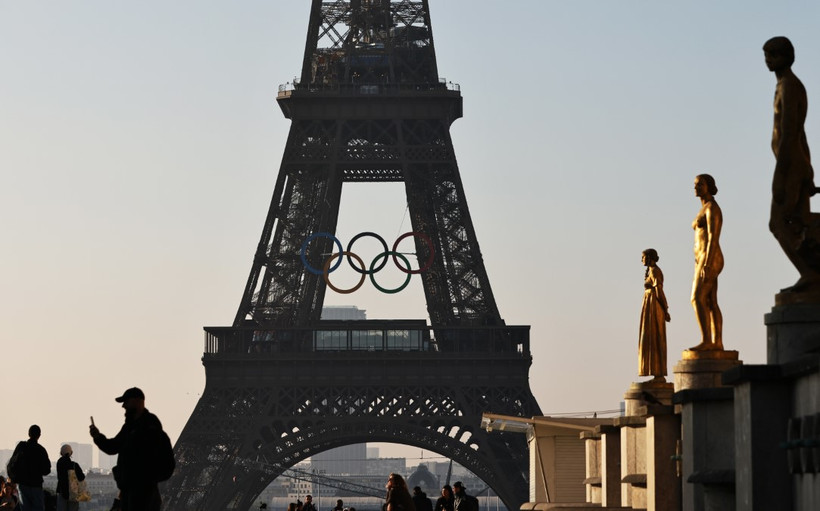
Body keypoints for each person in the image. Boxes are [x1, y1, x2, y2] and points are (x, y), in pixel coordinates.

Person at [763, 36, 820, 292]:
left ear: (786, 57)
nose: (768, 60)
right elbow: (801, 133)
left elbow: (789, 133)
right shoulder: (790, 85)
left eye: (773, 55)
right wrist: (808, 170)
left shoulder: (789, 85)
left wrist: (780, 176)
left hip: (789, 164)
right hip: (797, 163)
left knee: (778, 223)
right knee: (798, 222)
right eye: (767, 54)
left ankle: (809, 273)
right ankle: (812, 274)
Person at [89, 387, 168, 511]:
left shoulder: (147, 427)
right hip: (133, 492)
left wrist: (144, 481)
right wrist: (98, 437)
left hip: (142, 494)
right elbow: (113, 447)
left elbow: (113, 447)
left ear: (137, 401)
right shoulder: (131, 427)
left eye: (126, 401)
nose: (123, 406)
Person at [690, 174, 724, 351]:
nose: (696, 187)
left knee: (696, 298)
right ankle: (716, 342)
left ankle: (707, 341)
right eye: (695, 184)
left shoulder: (712, 208)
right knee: (711, 301)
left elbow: (713, 238)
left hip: (710, 257)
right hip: (702, 258)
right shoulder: (702, 209)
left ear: (709, 186)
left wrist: (708, 263)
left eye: (700, 184)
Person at [639, 249, 670, 380]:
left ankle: (659, 372)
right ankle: (655, 371)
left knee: (655, 336)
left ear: (650, 258)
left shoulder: (655, 271)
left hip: (654, 305)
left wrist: (665, 309)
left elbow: (659, 291)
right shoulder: (651, 271)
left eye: (643, 257)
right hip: (650, 304)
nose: (641, 260)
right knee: (650, 337)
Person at [7, 425, 51, 511]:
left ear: (29, 434)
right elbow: (47, 470)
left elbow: (12, 463)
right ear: (39, 435)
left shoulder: (21, 447)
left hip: (23, 484)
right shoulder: (41, 450)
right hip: (36, 485)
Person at [56, 445, 85, 511]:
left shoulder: (59, 463)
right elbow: (81, 477)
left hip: (62, 491)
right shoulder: (75, 465)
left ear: (61, 453)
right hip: (73, 492)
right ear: (71, 453)